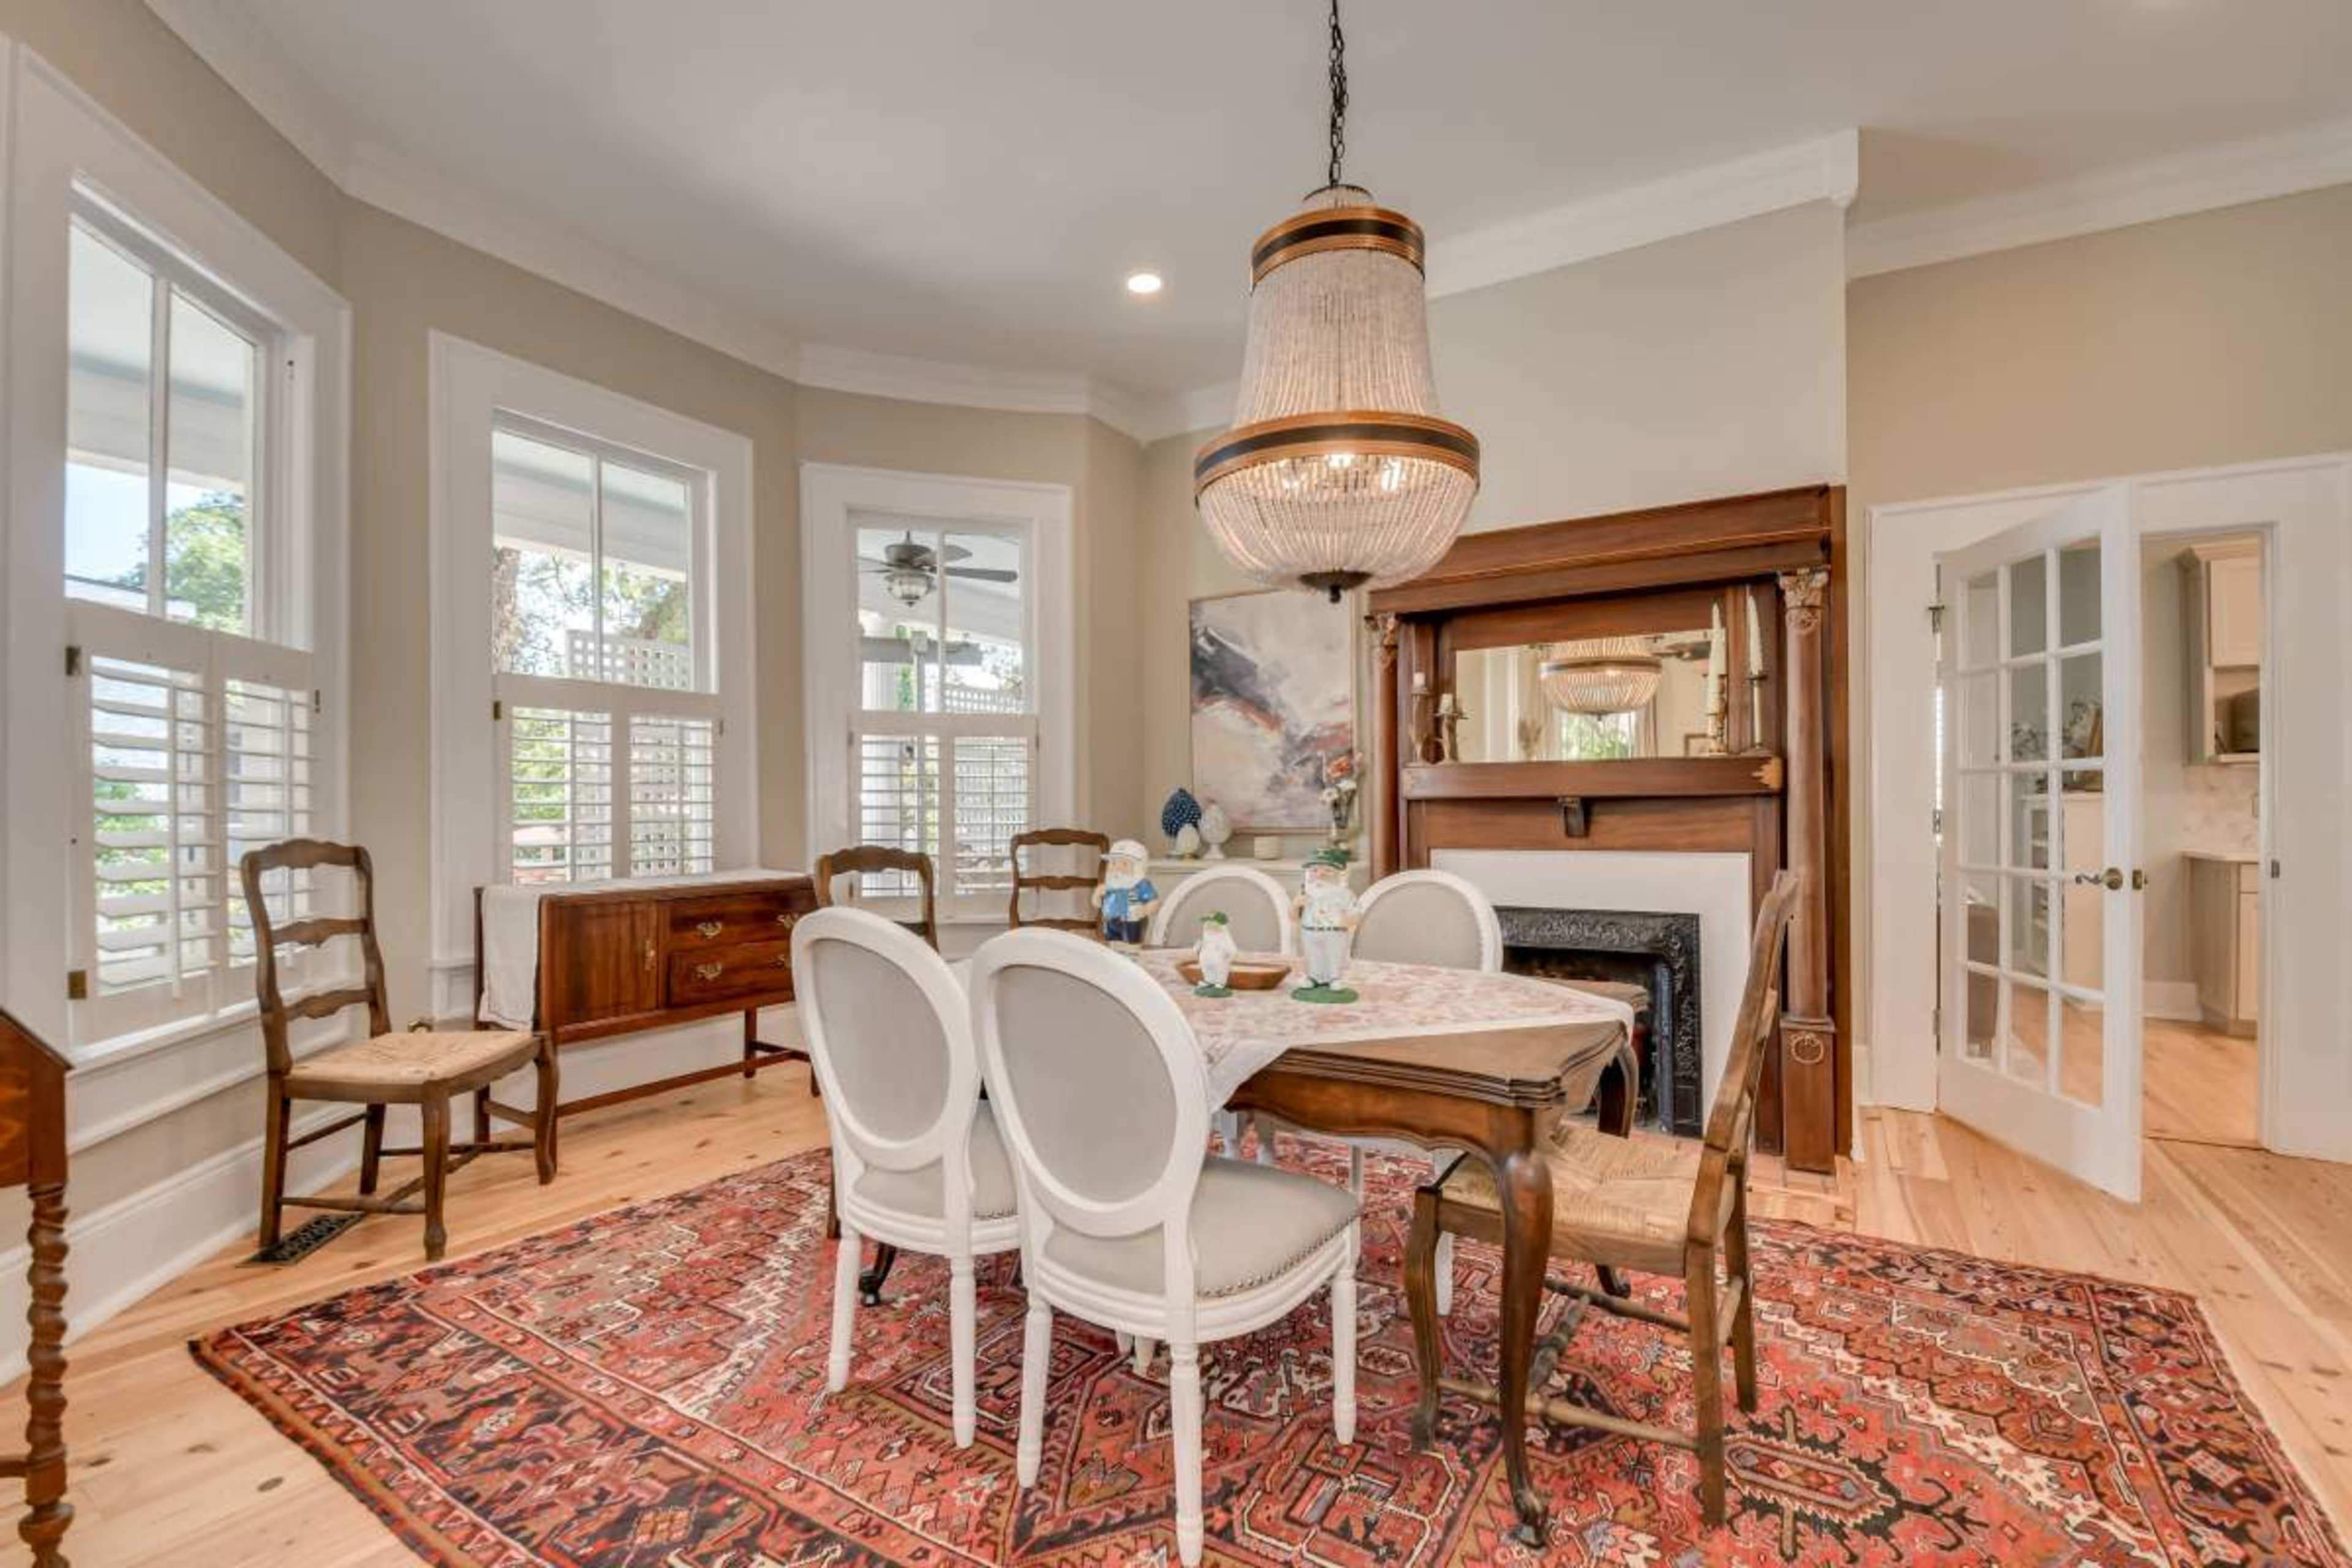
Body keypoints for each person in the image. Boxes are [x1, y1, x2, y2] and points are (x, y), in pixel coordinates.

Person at [1291, 847, 1360, 1003]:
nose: (1320, 875)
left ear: (1339, 873)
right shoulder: (1305, 892)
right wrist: (1295, 905)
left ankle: (1334, 978)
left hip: (1334, 931)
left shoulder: (1344, 893)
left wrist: (1347, 921)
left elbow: (1356, 913)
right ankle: (1314, 977)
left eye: (1327, 871)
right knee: (1312, 956)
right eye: (1315, 870)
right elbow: (1293, 917)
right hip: (1310, 931)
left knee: (1334, 955)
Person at [1091, 838, 1158, 944]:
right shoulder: (1110, 886)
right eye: (1113, 863)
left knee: (1131, 946)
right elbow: (1097, 903)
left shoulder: (1140, 885)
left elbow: (1154, 902)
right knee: (1112, 946)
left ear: (1138, 868)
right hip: (1110, 922)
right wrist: (1097, 896)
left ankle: (1130, 954)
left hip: (1132, 922)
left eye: (1124, 864)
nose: (1116, 869)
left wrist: (1145, 910)